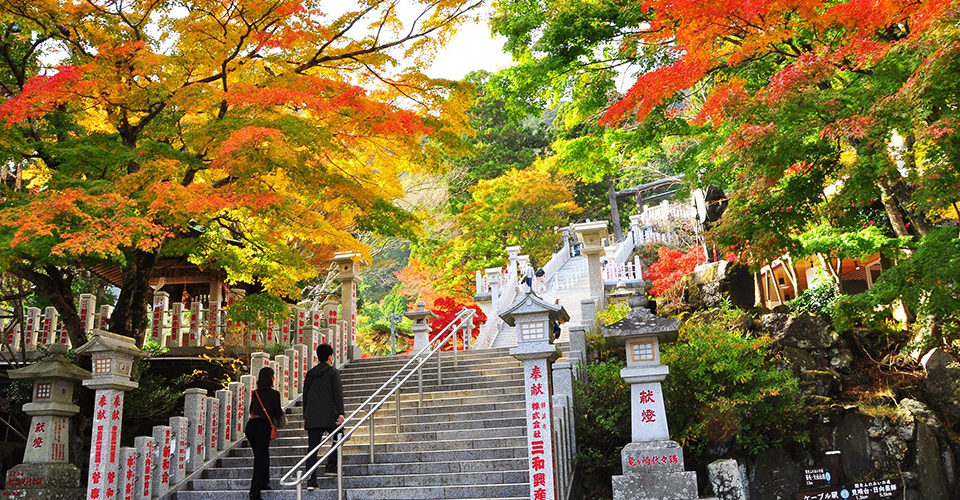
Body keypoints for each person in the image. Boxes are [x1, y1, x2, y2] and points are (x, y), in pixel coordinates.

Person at [303, 344, 345, 489]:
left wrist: (305, 415)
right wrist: (341, 413)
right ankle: (331, 465)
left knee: (312, 448)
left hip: (313, 416)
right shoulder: (333, 372)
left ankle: (311, 480)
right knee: (339, 436)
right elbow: (337, 394)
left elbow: (305, 396)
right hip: (329, 416)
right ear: (329, 357)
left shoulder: (310, 374)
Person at [246, 367, 283, 500]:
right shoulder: (274, 394)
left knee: (262, 455)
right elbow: (278, 413)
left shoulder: (255, 393)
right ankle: (254, 493)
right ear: (271, 378)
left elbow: (251, 409)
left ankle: (263, 482)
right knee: (260, 459)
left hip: (250, 427)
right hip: (262, 427)